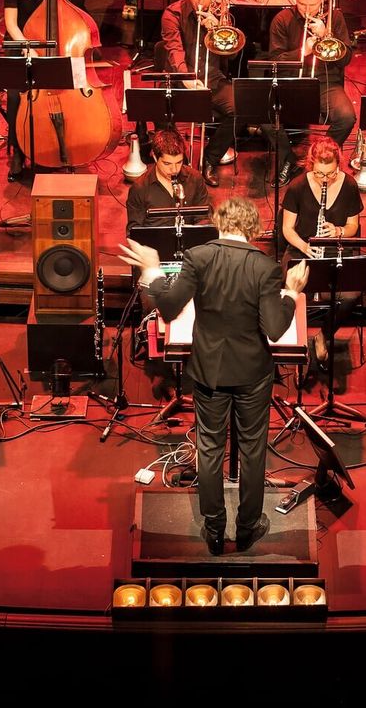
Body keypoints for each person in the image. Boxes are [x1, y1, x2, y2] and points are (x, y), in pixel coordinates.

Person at [119, 198, 309, 555]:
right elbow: (275, 327)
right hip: (252, 374)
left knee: (209, 448)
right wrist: (292, 293)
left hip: (208, 371)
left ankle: (215, 528)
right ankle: (249, 526)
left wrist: (153, 270)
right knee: (252, 452)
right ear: (253, 229)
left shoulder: (198, 257)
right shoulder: (265, 267)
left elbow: (170, 306)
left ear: (218, 222)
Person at [3, 0, 96, 181]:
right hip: (21, 42)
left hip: (54, 44)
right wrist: (27, 46)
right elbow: (11, 24)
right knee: (15, 95)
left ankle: (67, 142)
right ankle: (17, 151)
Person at [279, 136, 361, 377]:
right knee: (294, 290)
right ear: (310, 166)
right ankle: (299, 345)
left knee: (350, 295)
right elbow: (287, 230)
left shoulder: (349, 185)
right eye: (319, 174)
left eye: (330, 174)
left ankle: (323, 335)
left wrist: (338, 231)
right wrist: (305, 247)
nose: (324, 179)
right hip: (302, 248)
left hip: (336, 248)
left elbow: (353, 225)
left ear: (339, 166)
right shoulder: (297, 187)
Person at [266, 0, 356, 185]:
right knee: (264, 115)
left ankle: (320, 157)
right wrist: (302, 51)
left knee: (346, 117)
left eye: (313, 5)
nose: (307, 10)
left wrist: (327, 37)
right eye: (301, 4)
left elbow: (346, 59)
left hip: (326, 83)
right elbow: (274, 61)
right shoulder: (282, 19)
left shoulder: (335, 17)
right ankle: (288, 159)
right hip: (292, 83)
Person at [160, 0, 238, 188]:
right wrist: (186, 78)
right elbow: (175, 52)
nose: (202, 1)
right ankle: (178, 165)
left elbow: (232, 56)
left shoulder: (221, 14)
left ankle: (210, 159)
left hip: (211, 78)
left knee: (241, 108)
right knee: (160, 112)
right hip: (179, 78)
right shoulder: (172, 13)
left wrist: (216, 31)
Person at [125, 129, 210, 234]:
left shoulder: (195, 179)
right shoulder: (140, 188)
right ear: (155, 157)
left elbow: (204, 219)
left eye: (179, 162)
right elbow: (134, 232)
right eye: (167, 164)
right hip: (155, 247)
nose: (174, 170)